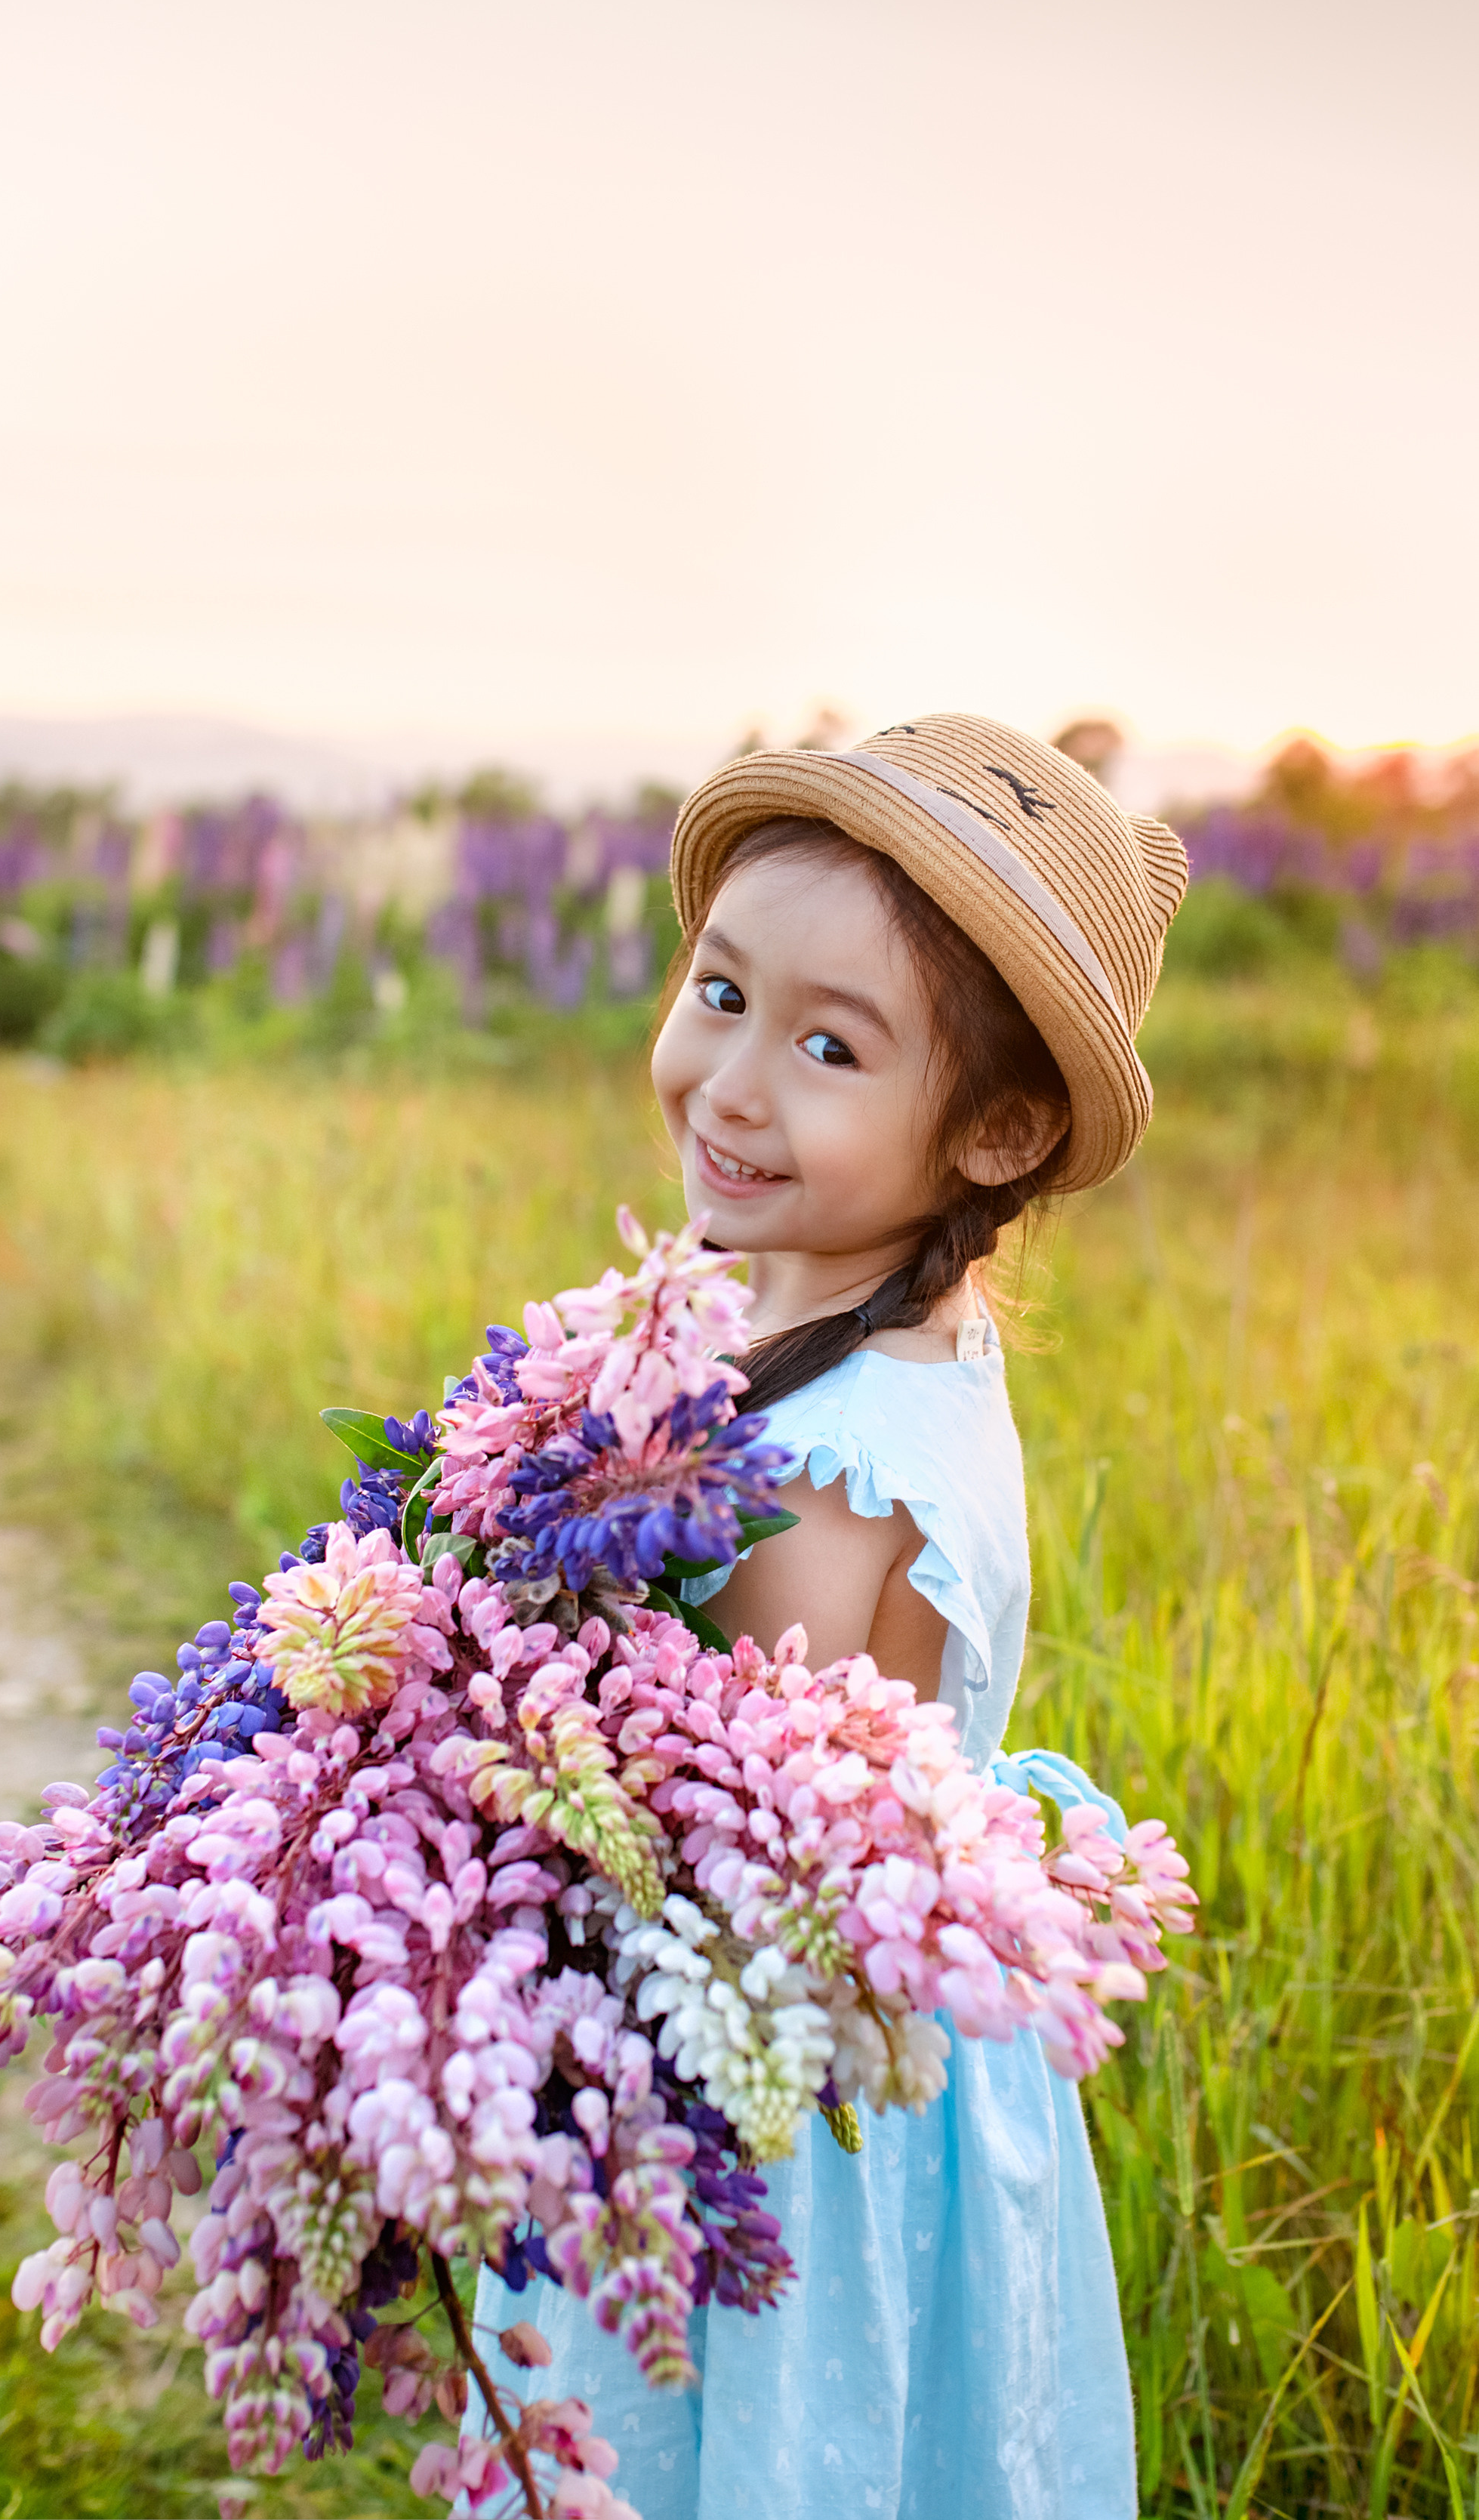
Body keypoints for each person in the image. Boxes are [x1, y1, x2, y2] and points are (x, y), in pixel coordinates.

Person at [469, 711, 1188, 2518]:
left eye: (826, 1046)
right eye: (720, 994)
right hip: (813, 2029)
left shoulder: (830, 1461)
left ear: (1001, 1128)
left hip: (781, 2089)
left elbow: (688, 1799)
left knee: (774, 2458)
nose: (729, 1081)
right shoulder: (828, 1333)